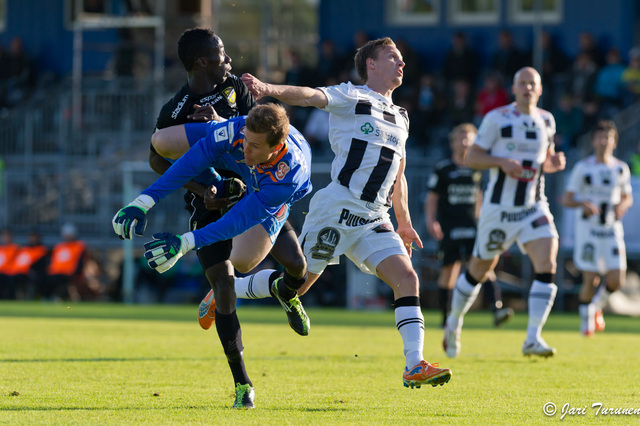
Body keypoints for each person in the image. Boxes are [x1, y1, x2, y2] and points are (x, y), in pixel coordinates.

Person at [239, 37, 453, 389]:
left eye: (402, 58)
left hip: (374, 216)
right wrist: (266, 88)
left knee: (407, 279)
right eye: (393, 57)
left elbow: (398, 175)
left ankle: (414, 364)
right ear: (371, 64)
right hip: (338, 207)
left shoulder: (402, 116)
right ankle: (228, 288)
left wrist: (406, 224)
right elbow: (309, 95)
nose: (402, 64)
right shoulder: (352, 96)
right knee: (296, 286)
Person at [113, 103, 313, 409]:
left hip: (264, 199)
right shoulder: (236, 130)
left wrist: (184, 243)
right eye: (246, 139)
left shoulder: (289, 175)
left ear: (277, 148)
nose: (246, 148)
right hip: (234, 187)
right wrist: (144, 201)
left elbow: (238, 221)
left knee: (285, 268)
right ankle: (243, 385)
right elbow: (190, 161)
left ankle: (282, 291)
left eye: (255, 146)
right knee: (162, 143)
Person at [151, 29, 308, 342]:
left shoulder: (233, 85)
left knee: (296, 266)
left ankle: (284, 292)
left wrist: (219, 123)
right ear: (202, 62)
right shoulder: (175, 110)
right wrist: (201, 189)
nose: (230, 60)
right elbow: (157, 159)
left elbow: (258, 129)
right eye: (222, 54)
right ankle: (222, 292)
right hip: (215, 199)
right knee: (233, 266)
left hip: (258, 188)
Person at [442, 67, 566, 359]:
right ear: (513, 88)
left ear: (540, 89)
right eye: (521, 83)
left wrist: (553, 163)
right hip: (499, 210)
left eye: (531, 83)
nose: (527, 88)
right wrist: (500, 161)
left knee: (548, 259)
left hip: (533, 206)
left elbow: (543, 161)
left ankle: (533, 337)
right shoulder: (497, 118)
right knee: (478, 270)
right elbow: (471, 157)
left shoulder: (547, 120)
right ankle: (454, 322)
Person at [425, 123, 514, 329]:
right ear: (453, 142)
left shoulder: (479, 169)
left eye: (469, 138)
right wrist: (431, 220)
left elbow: (481, 196)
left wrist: (484, 219)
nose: (465, 141)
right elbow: (432, 197)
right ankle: (445, 318)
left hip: (474, 225)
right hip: (450, 225)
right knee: (450, 269)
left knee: (482, 264)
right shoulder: (444, 168)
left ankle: (497, 309)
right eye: (461, 137)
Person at [561, 120, 633, 336]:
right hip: (589, 231)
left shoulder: (621, 168)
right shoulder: (584, 168)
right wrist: (583, 204)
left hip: (611, 230)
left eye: (608, 138)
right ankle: (586, 327)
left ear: (614, 142)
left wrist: (623, 205)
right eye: (600, 137)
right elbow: (567, 198)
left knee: (616, 280)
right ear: (593, 141)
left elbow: (627, 196)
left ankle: (595, 307)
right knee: (589, 278)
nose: (604, 142)